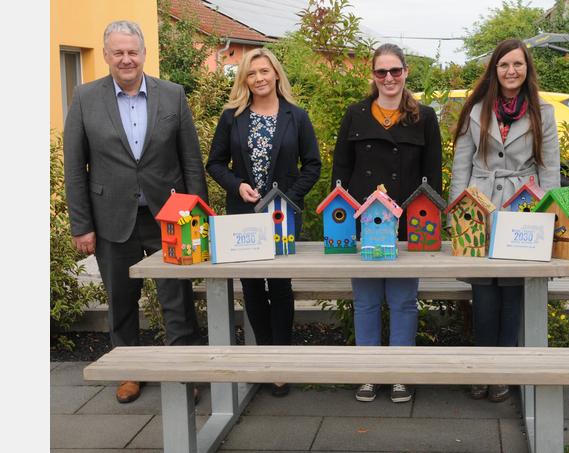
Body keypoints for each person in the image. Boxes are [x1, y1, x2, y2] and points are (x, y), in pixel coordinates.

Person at [63, 20, 207, 404]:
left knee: (177, 299)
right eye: (118, 52)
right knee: (122, 300)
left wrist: (200, 217)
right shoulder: (84, 98)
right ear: (106, 54)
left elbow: (191, 162)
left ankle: (184, 373)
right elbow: (75, 167)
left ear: (144, 54)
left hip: (170, 217)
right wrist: (82, 225)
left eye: (133, 52)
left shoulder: (172, 95)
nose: (126, 59)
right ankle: (129, 371)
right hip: (112, 218)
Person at [449, 39, 560, 403]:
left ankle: (503, 372)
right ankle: (483, 367)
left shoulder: (542, 112)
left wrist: (549, 217)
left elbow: (549, 167)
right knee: (483, 290)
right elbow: (460, 166)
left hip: (522, 207)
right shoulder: (477, 109)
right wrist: (458, 215)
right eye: (504, 65)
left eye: (518, 64)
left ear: (527, 68)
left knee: (512, 288)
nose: (511, 71)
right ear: (494, 70)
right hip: (480, 205)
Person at [206, 48, 321, 397]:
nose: (258, 78)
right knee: (253, 287)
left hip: (281, 216)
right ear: (244, 79)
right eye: (251, 73)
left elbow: (312, 165)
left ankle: (280, 362)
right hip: (243, 217)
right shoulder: (232, 117)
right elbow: (215, 164)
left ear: (275, 74)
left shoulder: (296, 117)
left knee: (280, 286)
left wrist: (288, 197)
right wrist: (236, 185)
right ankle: (264, 357)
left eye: (264, 71)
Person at [332, 43, 442, 403]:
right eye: (382, 72)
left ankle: (400, 373)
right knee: (365, 300)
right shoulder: (355, 114)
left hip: (408, 222)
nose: (389, 78)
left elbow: (432, 176)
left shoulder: (423, 117)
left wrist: (427, 222)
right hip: (367, 219)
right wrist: (346, 217)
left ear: (406, 72)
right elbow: (342, 171)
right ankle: (368, 372)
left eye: (395, 71)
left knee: (402, 300)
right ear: (373, 75)